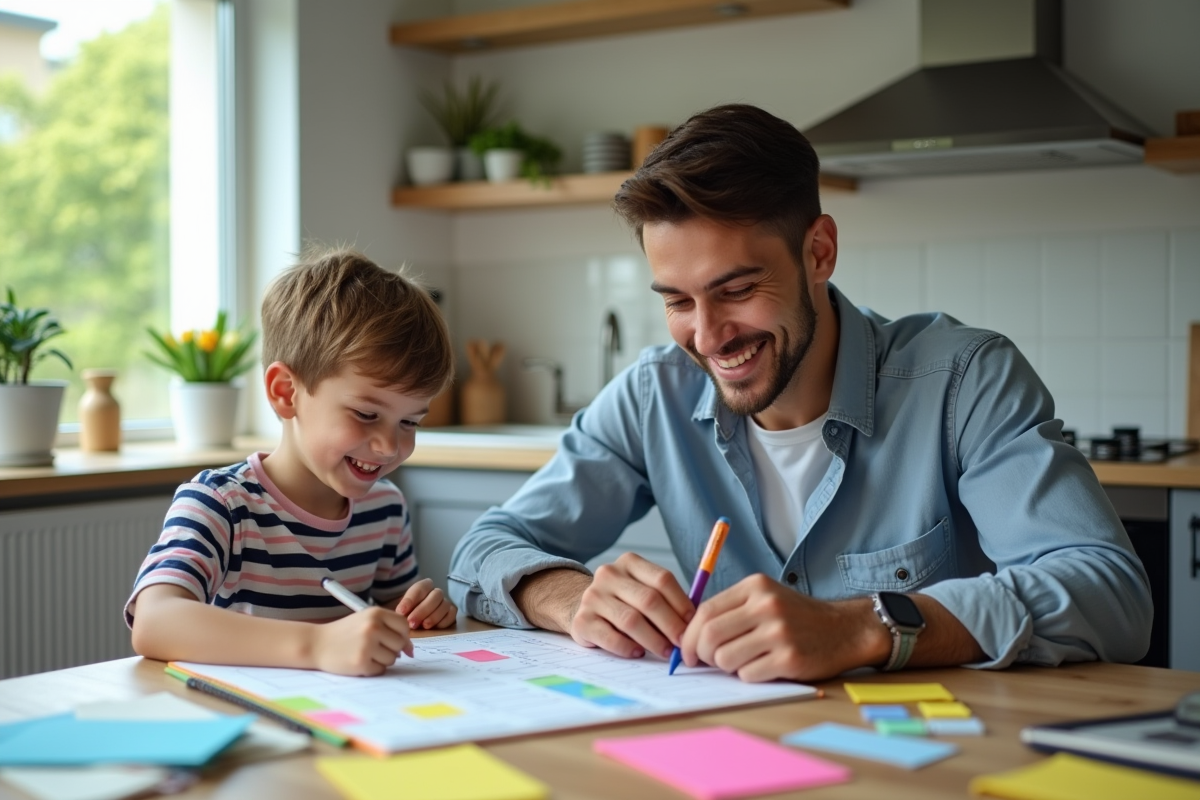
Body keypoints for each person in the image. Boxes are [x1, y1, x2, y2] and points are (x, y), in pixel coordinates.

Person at [447, 104, 1152, 683]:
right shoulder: (653, 395)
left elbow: (1111, 596)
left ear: (820, 252)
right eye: (677, 301)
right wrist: (568, 598)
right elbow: (484, 548)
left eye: (738, 290)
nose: (708, 335)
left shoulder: (966, 380)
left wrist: (868, 625)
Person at [127, 247, 458, 676]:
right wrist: (317, 645)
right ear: (286, 393)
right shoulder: (220, 504)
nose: (387, 446)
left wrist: (418, 613)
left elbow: (391, 609)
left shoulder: (385, 509)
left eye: (410, 421)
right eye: (366, 414)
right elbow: (155, 622)